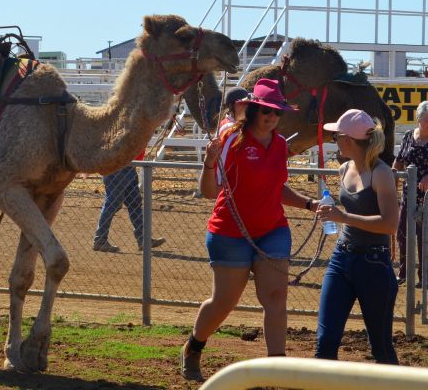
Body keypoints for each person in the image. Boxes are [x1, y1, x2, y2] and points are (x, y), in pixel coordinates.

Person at [180, 78, 316, 382]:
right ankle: (194, 347)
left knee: (276, 296)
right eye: (266, 111)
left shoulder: (280, 145)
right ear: (253, 110)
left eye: (277, 112)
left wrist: (309, 204)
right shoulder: (231, 138)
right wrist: (207, 164)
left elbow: (277, 189)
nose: (271, 117)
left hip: (272, 229)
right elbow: (208, 191)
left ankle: (277, 369)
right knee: (224, 302)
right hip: (230, 231)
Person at [314, 109, 398, 364]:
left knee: (381, 347)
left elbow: (390, 224)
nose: (334, 140)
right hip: (343, 257)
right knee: (325, 342)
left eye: (336, 136)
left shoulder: (381, 173)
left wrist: (343, 218)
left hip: (373, 262)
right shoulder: (344, 168)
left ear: (348, 140)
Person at [92, 153, 166, 253]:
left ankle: (143, 238)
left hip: (128, 166)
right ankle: (100, 240)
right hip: (117, 166)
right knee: (113, 204)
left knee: (134, 202)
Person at [392, 100, 428, 287]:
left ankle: (424, 276)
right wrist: (392, 181)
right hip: (408, 195)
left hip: (427, 199)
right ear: (418, 119)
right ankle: (404, 272)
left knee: (424, 237)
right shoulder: (408, 136)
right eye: (425, 120)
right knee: (402, 233)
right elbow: (398, 161)